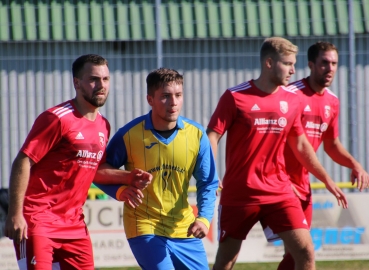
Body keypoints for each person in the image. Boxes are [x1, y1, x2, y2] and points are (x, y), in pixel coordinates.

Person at [206, 37, 348, 270]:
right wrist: (210, 174)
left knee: (305, 252)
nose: (293, 70)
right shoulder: (235, 96)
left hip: (279, 191)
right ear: (269, 63)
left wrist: (327, 180)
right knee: (226, 260)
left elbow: (301, 146)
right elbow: (212, 135)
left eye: (294, 64)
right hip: (241, 192)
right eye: (288, 63)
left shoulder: (292, 100)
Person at [4, 54, 149, 270]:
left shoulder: (103, 126)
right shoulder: (57, 118)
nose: (101, 85)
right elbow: (23, 161)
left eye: (106, 79)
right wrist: (15, 213)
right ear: (77, 83)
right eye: (94, 79)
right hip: (38, 220)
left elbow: (93, 170)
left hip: (74, 224)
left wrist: (128, 177)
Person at [93, 67, 219, 270]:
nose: (173, 102)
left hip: (183, 228)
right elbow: (98, 171)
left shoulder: (196, 135)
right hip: (144, 225)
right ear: (150, 99)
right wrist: (121, 191)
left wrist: (204, 218)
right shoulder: (129, 134)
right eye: (165, 96)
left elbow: (208, 182)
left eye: (178, 95)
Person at [269, 41, 369, 270]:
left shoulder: (332, 101)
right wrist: (281, 179)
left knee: (297, 255)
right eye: (324, 62)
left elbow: (331, 144)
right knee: (304, 252)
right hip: (277, 183)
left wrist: (355, 164)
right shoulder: (290, 95)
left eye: (334, 63)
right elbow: (270, 141)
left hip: (302, 185)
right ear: (311, 65)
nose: (330, 68)